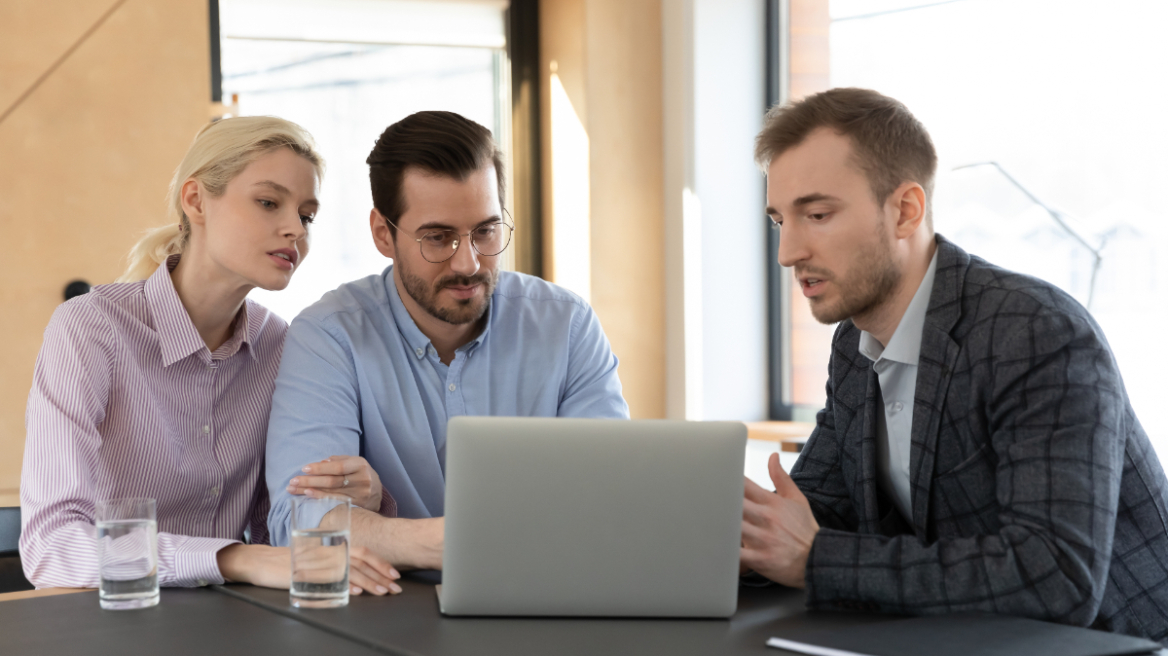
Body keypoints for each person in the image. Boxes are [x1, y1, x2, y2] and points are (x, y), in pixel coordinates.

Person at [739, 87, 1168, 643]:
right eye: (779, 221)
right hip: (959, 640)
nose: (788, 252)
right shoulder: (854, 341)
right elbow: (824, 509)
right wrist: (739, 542)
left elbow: (1056, 575)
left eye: (817, 214)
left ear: (905, 210)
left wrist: (817, 558)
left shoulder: (1036, 332)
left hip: (1111, 644)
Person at [21, 116, 400, 596]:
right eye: (268, 202)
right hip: (105, 626)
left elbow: (279, 533)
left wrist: (367, 500)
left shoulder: (282, 347)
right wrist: (232, 557)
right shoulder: (90, 330)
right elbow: (50, 546)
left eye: (306, 215)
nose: (294, 230)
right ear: (196, 200)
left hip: (233, 626)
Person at [265, 111, 629, 569]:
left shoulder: (567, 325)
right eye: (438, 238)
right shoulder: (329, 337)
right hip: (386, 612)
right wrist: (445, 544)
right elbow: (298, 523)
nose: (469, 264)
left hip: (545, 597)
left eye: (485, 231)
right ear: (383, 233)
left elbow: (611, 496)